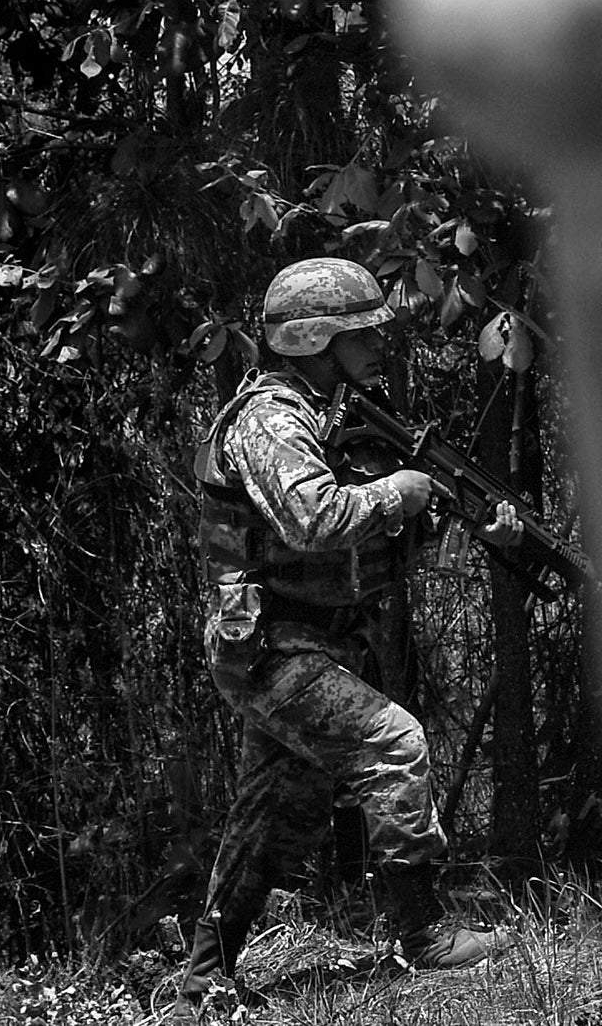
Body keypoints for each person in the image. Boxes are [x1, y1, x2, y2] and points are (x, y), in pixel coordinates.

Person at [181, 257, 518, 1006]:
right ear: (314, 340)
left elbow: (374, 546)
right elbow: (313, 519)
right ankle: (422, 931)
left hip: (305, 639)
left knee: (275, 806)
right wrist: (398, 493)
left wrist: (462, 525)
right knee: (393, 742)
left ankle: (201, 978)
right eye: (359, 332)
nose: (377, 345)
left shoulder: (333, 413)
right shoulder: (272, 417)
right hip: (270, 645)